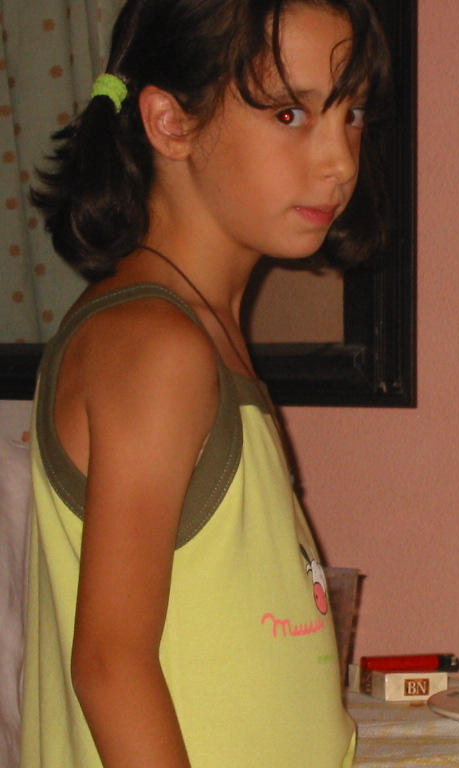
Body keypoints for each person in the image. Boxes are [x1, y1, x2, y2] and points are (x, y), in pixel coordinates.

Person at [21, 0, 391, 766]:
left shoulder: (202, 338)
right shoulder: (156, 348)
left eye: (351, 114)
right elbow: (110, 664)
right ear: (170, 123)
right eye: (290, 114)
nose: (340, 161)